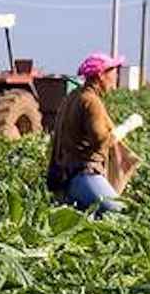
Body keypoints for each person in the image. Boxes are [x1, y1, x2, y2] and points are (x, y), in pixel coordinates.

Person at [46, 53, 132, 216]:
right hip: (85, 177)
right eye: (113, 72)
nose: (116, 77)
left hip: (66, 176)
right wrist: (127, 127)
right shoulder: (91, 102)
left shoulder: (74, 96)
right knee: (120, 216)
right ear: (100, 75)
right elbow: (102, 141)